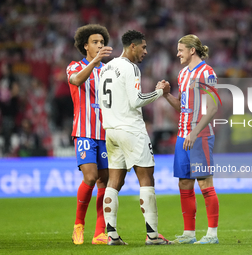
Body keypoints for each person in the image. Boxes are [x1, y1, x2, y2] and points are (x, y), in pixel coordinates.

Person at [98, 30, 172, 245]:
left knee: (114, 181)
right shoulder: (130, 68)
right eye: (143, 47)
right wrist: (160, 91)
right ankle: (153, 235)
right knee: (146, 179)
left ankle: (111, 234)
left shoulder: (106, 68)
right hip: (130, 129)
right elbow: (136, 100)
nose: (145, 52)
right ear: (132, 46)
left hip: (110, 130)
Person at [162, 34, 220, 244]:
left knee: (204, 183)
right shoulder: (183, 74)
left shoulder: (207, 72)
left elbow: (212, 107)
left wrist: (194, 132)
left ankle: (212, 235)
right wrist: (167, 95)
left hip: (200, 136)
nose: (177, 53)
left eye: (180, 50)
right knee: (184, 183)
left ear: (191, 50)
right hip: (182, 135)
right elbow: (182, 107)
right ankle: (189, 234)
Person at [66, 24, 112, 245]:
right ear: (85, 45)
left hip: (105, 133)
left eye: (102, 42)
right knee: (91, 177)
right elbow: (75, 81)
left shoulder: (108, 71)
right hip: (84, 132)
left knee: (104, 181)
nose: (100, 46)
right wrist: (94, 62)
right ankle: (78, 225)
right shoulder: (74, 66)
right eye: (95, 42)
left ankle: (100, 232)